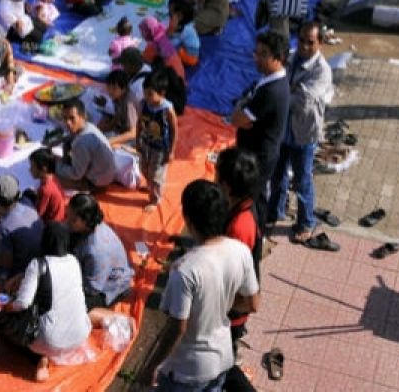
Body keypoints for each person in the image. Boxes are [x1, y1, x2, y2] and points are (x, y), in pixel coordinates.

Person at [145, 180, 258, 392]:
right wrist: (218, 304)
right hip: (222, 357)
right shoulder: (240, 251)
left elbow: (178, 328)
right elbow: (252, 303)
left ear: (187, 218)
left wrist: (151, 366)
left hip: (188, 370)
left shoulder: (184, 269)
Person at [0, 223, 91, 382]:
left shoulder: (38, 264)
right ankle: (46, 356)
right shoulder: (73, 261)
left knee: (4, 324)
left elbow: (23, 303)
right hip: (80, 335)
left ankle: (41, 358)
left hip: (51, 341)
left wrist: (5, 307)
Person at [270, 21, 333, 245]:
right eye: (302, 40)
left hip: (304, 133)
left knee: (302, 180)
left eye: (311, 42)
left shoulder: (322, 71)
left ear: (320, 43)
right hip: (284, 129)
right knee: (277, 175)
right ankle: (275, 212)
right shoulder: (292, 57)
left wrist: (284, 93)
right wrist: (290, 90)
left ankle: (306, 222)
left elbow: (304, 101)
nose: (305, 46)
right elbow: (281, 81)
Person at [229, 31, 290, 228]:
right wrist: (242, 105)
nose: (257, 57)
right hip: (258, 151)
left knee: (252, 201)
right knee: (256, 196)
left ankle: (253, 239)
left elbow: (237, 119)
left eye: (263, 54)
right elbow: (244, 102)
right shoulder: (267, 82)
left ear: (278, 58)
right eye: (256, 52)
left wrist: (240, 108)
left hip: (258, 156)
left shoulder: (271, 92)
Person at [216, 148, 261, 392]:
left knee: (225, 368)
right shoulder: (244, 206)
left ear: (228, 185)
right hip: (233, 306)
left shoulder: (240, 227)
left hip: (233, 309)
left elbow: (235, 279)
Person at [66, 193, 133, 319]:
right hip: (93, 273)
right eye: (67, 215)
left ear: (85, 221)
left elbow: (92, 289)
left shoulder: (96, 251)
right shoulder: (89, 227)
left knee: (72, 309)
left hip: (110, 287)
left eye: (73, 219)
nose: (67, 221)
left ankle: (115, 318)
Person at [135, 69, 178, 211]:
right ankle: (150, 187)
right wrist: (137, 140)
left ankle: (155, 199)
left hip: (160, 148)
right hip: (146, 143)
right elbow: (139, 122)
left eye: (150, 94)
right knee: (144, 168)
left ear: (162, 93)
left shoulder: (167, 109)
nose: (147, 97)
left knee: (156, 174)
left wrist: (171, 151)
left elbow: (174, 130)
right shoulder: (143, 104)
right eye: (145, 93)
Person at [55, 100, 116, 191]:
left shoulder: (82, 142)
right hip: (107, 172)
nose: (68, 123)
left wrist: (57, 165)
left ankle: (86, 186)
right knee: (67, 143)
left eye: (72, 118)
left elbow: (76, 174)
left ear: (83, 117)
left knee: (54, 179)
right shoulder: (88, 126)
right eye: (65, 118)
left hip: (99, 182)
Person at [26, 148, 66, 224]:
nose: (30, 169)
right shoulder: (53, 177)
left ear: (43, 169)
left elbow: (38, 213)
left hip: (52, 224)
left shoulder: (45, 189)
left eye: (32, 167)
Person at [139, 17, 185, 81]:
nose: (141, 35)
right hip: (179, 72)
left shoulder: (153, 46)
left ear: (149, 32)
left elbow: (143, 58)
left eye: (142, 32)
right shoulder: (163, 35)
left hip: (172, 78)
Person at [167, 0, 200, 69]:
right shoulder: (178, 22)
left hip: (190, 57)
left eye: (170, 14)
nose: (168, 15)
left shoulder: (186, 29)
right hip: (183, 46)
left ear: (179, 16)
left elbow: (171, 37)